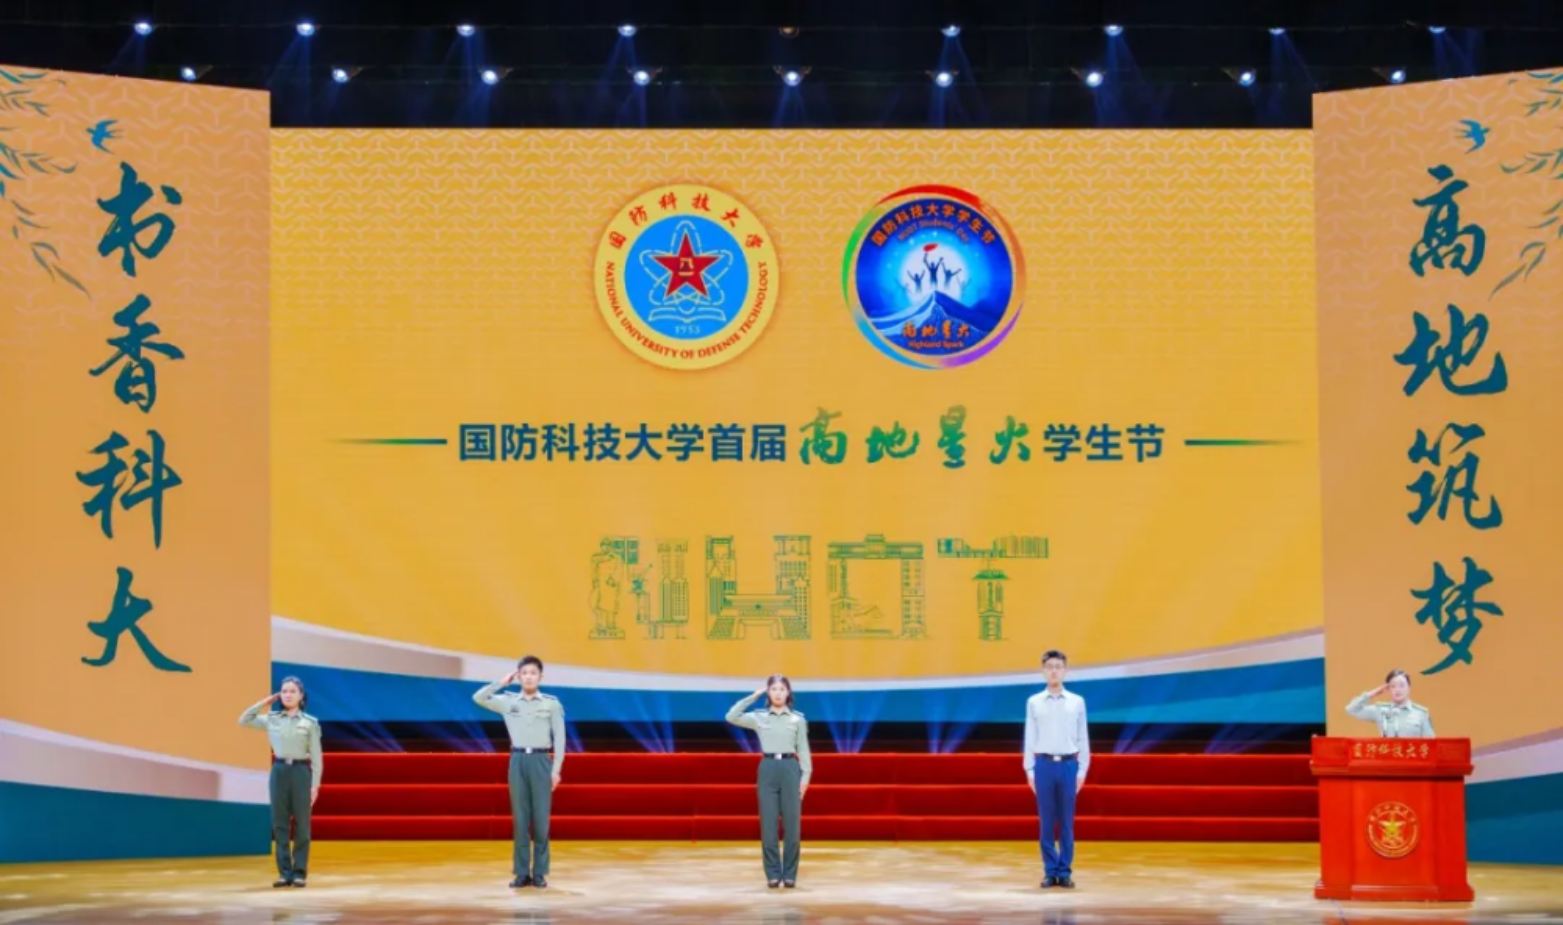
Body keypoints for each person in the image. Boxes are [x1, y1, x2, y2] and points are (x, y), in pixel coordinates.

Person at [474, 655, 567, 889]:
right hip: (517, 761)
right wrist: (501, 683)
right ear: (518, 676)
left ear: (540, 677)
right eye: (524, 673)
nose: (529, 677)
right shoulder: (507, 701)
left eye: (533, 673)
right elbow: (478, 697)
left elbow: (560, 739)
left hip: (541, 761)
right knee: (521, 819)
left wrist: (556, 770)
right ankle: (522, 873)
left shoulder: (551, 704)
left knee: (541, 821)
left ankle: (540, 873)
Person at [726, 675, 812, 889]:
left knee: (792, 826)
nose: (778, 693)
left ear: (788, 692)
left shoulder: (798, 720)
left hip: (790, 769)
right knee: (769, 826)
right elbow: (731, 716)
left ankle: (790, 874)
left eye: (782, 689)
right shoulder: (759, 717)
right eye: (773, 689)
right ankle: (773, 874)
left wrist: (805, 780)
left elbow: (803, 751)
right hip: (767, 769)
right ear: (768, 693)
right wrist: (753, 697)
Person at [240, 676, 322, 888]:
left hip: (301, 772)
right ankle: (284, 873)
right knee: (280, 824)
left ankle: (299, 872)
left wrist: (315, 785)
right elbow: (244, 720)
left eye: (292, 691)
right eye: (284, 691)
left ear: (301, 696)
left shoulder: (310, 723)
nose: (288, 695)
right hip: (279, 772)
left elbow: (316, 758)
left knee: (302, 825)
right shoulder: (272, 718)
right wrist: (265, 702)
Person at [1024, 649, 1090, 890]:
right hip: (1043, 765)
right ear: (1044, 671)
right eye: (1050, 667)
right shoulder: (1034, 702)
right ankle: (1050, 871)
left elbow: (1083, 737)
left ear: (1065, 671)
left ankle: (1065, 871)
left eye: (1058, 667)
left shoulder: (1077, 701)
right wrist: (1029, 770)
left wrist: (1082, 770)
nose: (1054, 671)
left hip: (1068, 765)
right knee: (1046, 821)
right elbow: (1030, 737)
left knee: (1066, 822)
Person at [1346, 668, 1435, 737]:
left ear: (1409, 687)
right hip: (1387, 755)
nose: (1397, 690)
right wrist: (1373, 693)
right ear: (1388, 689)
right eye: (1393, 686)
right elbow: (1351, 709)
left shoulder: (1421, 713)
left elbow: (1430, 744)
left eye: (1402, 685)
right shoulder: (1381, 710)